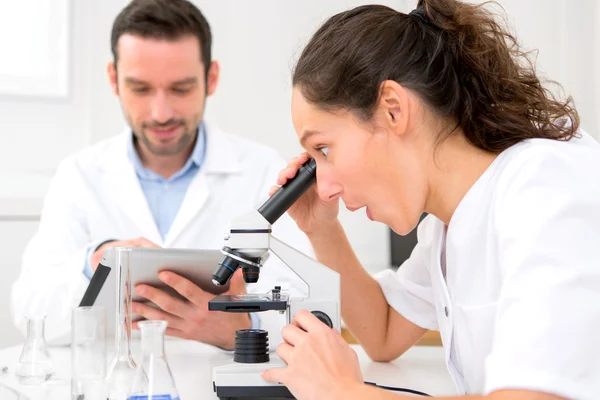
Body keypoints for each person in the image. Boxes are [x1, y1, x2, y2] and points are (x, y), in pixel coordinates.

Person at [260, 1, 600, 399]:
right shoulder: (449, 222)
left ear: (392, 109)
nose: (324, 184)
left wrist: (345, 393)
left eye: (325, 149)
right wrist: (321, 228)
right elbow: (383, 333)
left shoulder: (545, 184)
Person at [10, 0, 308, 348]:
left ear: (211, 78)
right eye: (140, 89)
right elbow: (30, 313)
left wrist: (242, 328)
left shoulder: (263, 172)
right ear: (113, 79)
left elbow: (310, 306)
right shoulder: (79, 176)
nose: (161, 112)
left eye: (180, 89)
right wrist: (95, 264)